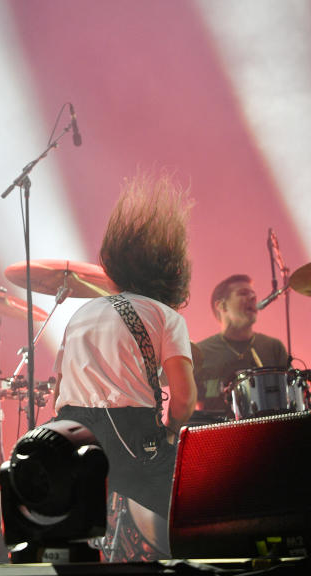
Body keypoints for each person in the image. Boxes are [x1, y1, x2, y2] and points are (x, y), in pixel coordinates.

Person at [51, 174, 197, 561]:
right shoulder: (166, 317)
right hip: (128, 431)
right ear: (172, 270)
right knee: (196, 508)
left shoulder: (81, 312)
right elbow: (184, 398)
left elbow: (58, 386)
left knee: (73, 539)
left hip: (67, 431)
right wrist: (169, 433)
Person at [194, 275, 290, 416]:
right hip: (220, 435)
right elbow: (192, 406)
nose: (252, 297)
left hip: (271, 432)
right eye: (243, 293)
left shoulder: (274, 347)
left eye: (253, 294)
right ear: (221, 305)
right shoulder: (199, 352)